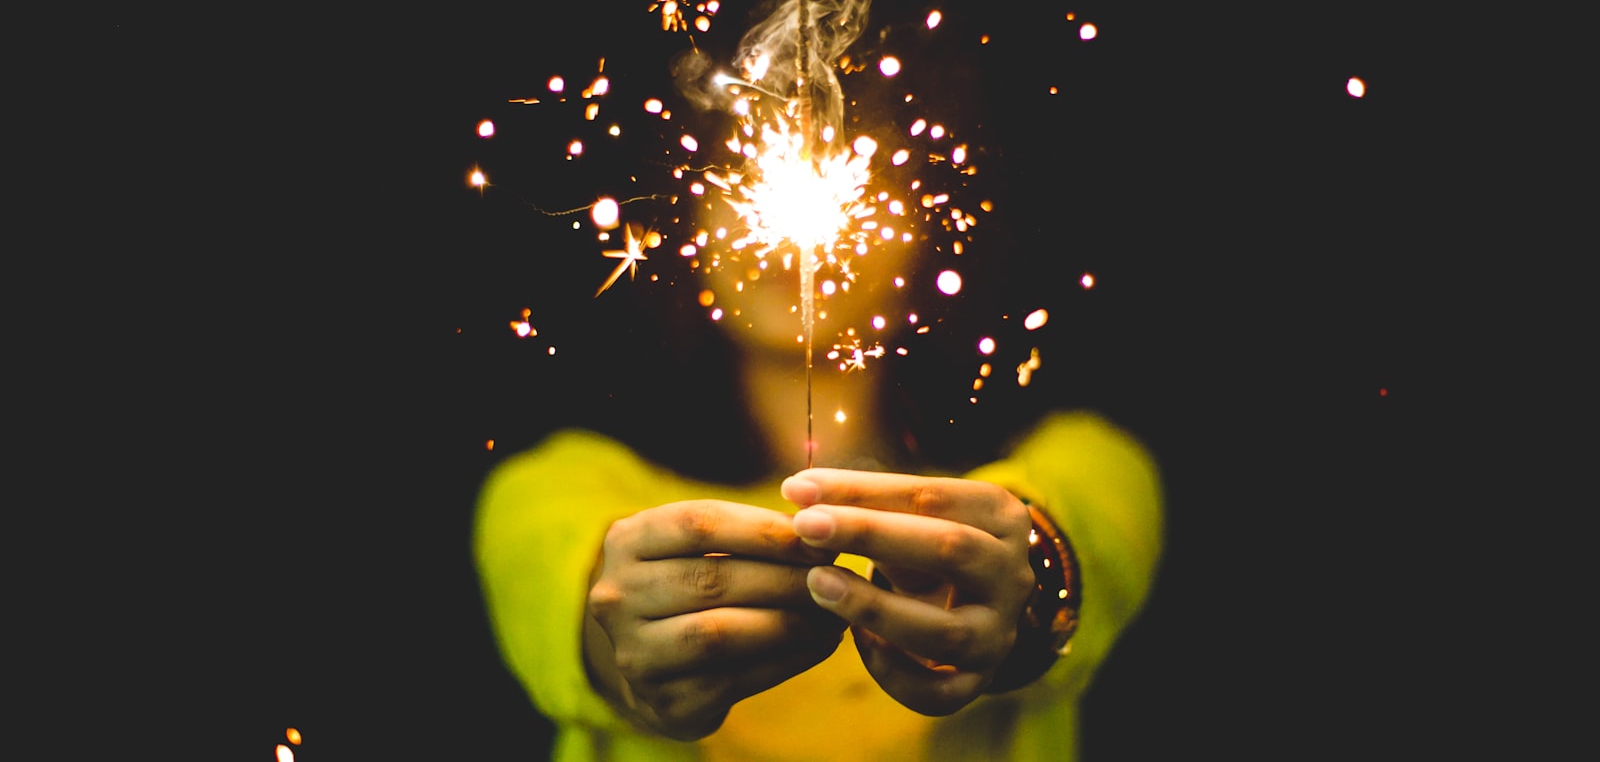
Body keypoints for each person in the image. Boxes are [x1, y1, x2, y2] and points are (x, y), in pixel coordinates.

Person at [472, 226, 1166, 760]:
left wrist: (1018, 583)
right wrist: (628, 650)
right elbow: (565, 580)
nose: (783, 239)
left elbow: (1072, 530)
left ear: (918, 231)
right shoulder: (559, 482)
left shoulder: (1083, 455)